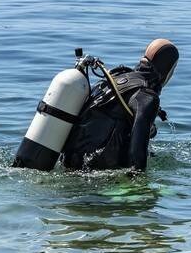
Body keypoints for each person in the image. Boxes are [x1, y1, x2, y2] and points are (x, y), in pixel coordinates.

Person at [61, 39, 179, 174]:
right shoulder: (146, 96)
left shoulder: (116, 78)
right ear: (168, 70)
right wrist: (137, 181)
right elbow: (137, 154)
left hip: (69, 161)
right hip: (95, 172)